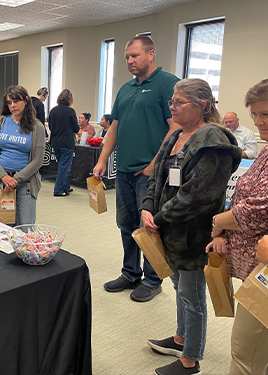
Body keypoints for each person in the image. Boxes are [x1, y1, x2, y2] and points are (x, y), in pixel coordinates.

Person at [140, 79, 241, 375]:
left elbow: (197, 195)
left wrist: (158, 218)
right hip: (170, 232)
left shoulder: (213, 142)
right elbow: (156, 174)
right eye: (172, 101)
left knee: (193, 295)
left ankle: (190, 359)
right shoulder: (177, 136)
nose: (172, 107)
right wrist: (148, 206)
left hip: (193, 235)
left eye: (178, 102)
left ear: (202, 106)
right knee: (180, 288)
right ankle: (181, 338)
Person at [93, 35, 180, 302]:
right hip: (124, 171)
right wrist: (102, 159)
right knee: (126, 224)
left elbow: (175, 128)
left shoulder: (168, 84)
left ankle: (153, 279)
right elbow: (114, 128)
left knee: (150, 225)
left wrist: (154, 165)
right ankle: (130, 273)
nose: (130, 61)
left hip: (151, 173)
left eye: (135, 56)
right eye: (127, 57)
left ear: (151, 54)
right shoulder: (125, 89)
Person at [206, 79, 268, 375]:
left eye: (266, 114)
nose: (259, 122)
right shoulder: (266, 151)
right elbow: (243, 196)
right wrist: (225, 232)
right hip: (254, 266)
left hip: (264, 272)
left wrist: (218, 221)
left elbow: (257, 210)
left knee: (245, 354)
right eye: (255, 114)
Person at [0, 85, 46, 225]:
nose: (12, 106)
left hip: (26, 184)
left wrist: (15, 180)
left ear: (26, 100)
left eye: (16, 101)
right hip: (2, 181)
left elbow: (38, 160)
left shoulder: (37, 128)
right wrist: (4, 177)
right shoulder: (0, 122)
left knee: (25, 227)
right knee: (7, 226)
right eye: (9, 102)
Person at [49, 89, 80, 197]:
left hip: (55, 142)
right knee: (64, 167)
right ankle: (58, 190)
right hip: (66, 143)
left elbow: (51, 127)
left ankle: (65, 186)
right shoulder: (70, 111)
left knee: (62, 165)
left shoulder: (53, 110)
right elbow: (76, 128)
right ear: (70, 100)